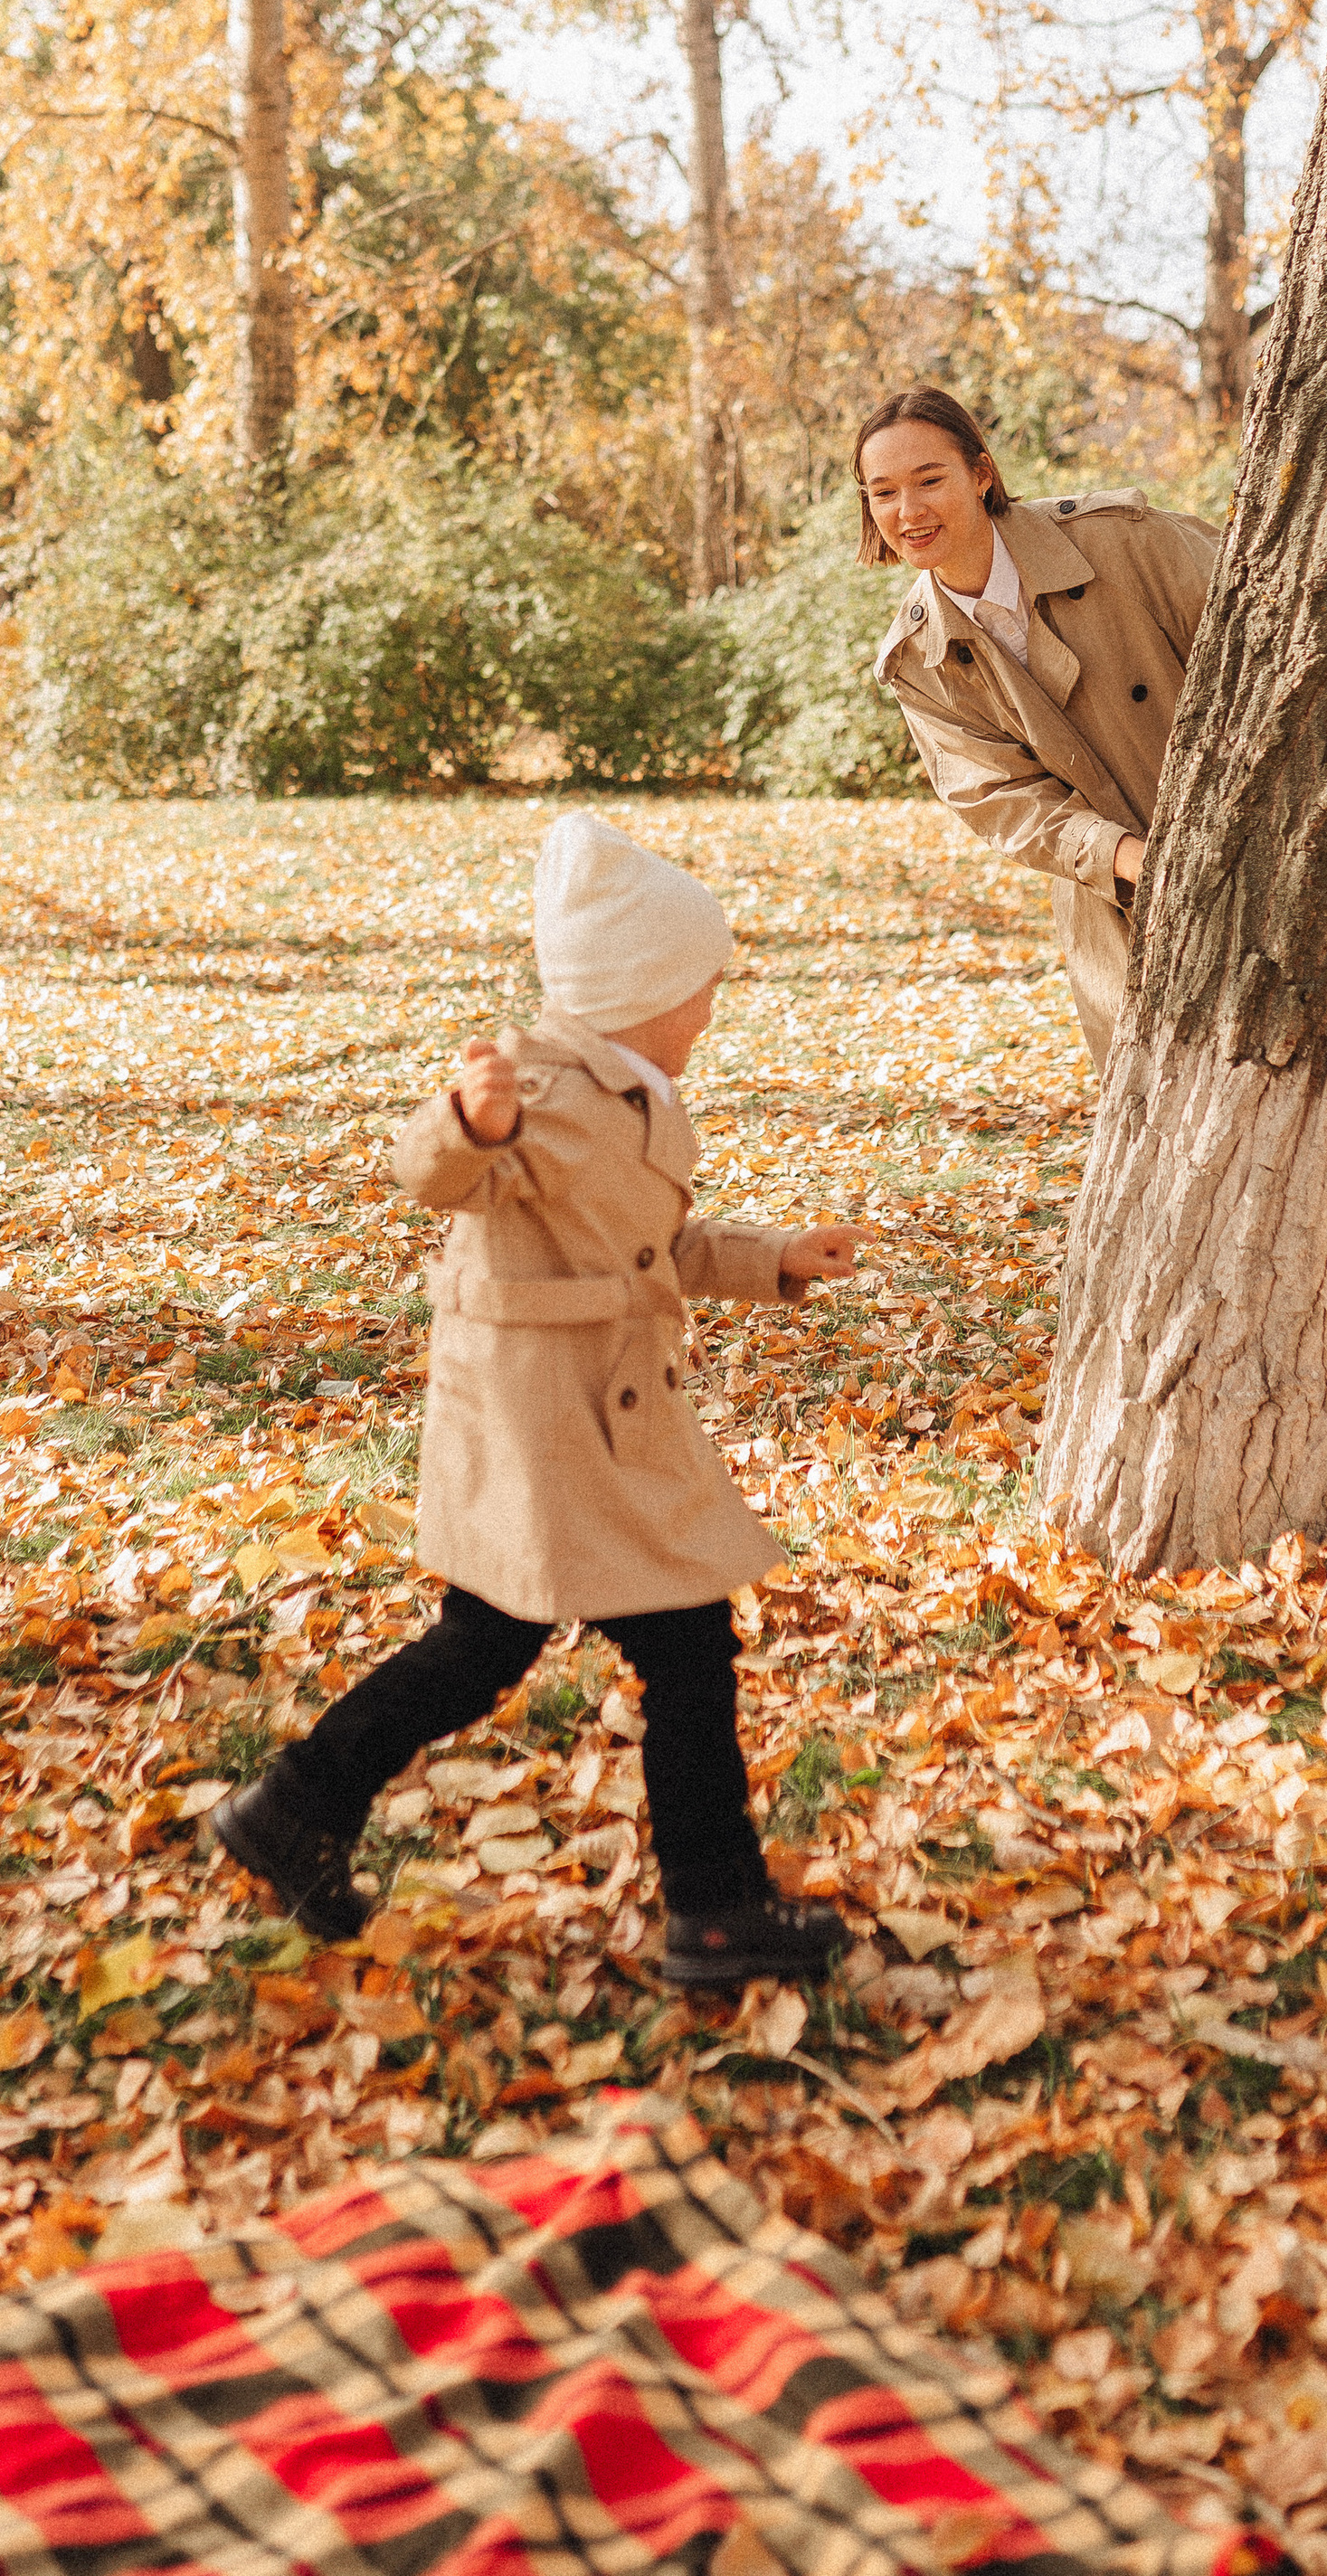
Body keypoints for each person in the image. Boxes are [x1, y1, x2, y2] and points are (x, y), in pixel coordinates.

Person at [210, 810, 859, 1986]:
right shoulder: (543, 1092)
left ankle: (299, 1802)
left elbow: (650, 1250)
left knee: (496, 1643)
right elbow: (431, 1173)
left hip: (575, 1419)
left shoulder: (619, 1091)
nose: (708, 1013)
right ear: (636, 994)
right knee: (672, 1648)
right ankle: (715, 1916)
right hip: (550, 1425)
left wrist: (773, 1260)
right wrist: (470, 1122)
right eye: (696, 993)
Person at [862, 386, 1221, 1066]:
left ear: (981, 473)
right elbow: (999, 798)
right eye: (882, 493)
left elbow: (1268, 623)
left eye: (929, 480)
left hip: (1258, 839)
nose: (907, 512)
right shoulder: (916, 659)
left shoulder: (1118, 540)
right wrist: (1131, 860)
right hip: (1112, 892)